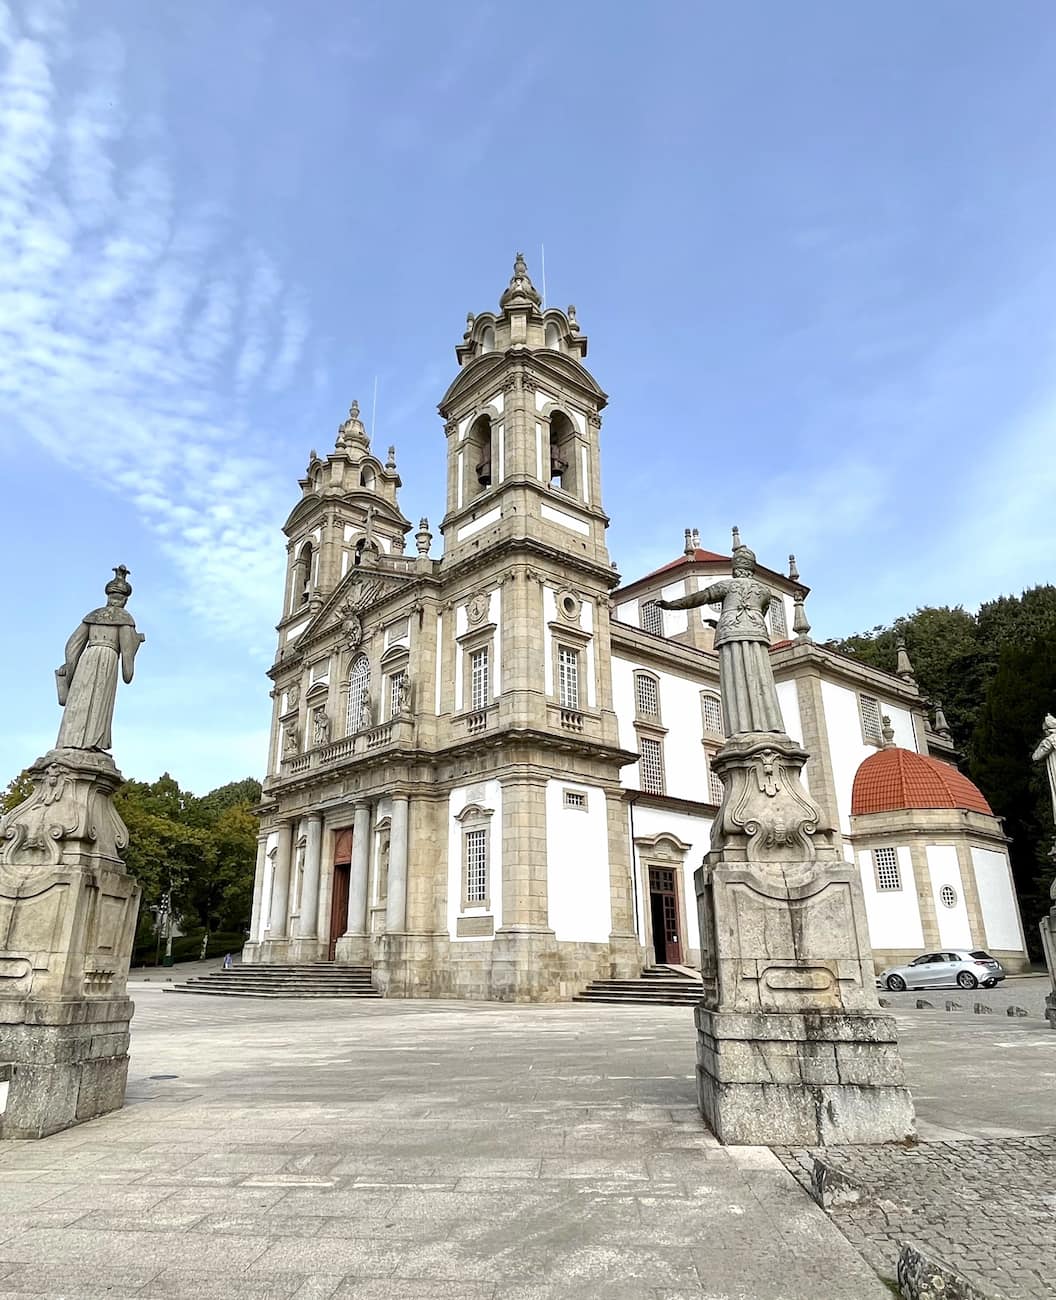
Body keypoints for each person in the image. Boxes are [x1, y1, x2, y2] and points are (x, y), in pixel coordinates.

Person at [656, 533, 785, 737]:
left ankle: (741, 728)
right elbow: (759, 614)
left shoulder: (728, 585)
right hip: (757, 635)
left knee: (735, 680)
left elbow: (700, 597)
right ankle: (770, 725)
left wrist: (671, 605)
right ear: (752, 567)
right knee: (761, 678)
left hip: (730, 633)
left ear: (736, 568)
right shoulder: (765, 591)